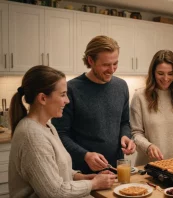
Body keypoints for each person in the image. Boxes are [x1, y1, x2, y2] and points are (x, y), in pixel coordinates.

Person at [8, 65, 116, 198]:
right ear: (42, 98)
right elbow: (54, 192)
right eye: (63, 94)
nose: (67, 100)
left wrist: (84, 178)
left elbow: (58, 171)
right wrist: (93, 184)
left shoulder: (47, 126)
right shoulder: (32, 136)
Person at [52, 35, 136, 174]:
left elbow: (124, 122)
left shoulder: (121, 86)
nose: (112, 69)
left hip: (115, 169)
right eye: (105, 65)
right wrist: (85, 155)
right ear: (90, 60)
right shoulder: (70, 89)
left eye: (115, 63)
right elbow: (60, 133)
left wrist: (126, 136)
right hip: (82, 172)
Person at [130, 49, 173, 166]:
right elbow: (136, 133)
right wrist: (148, 147)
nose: (166, 78)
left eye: (170, 74)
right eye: (160, 73)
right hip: (148, 166)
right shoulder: (140, 97)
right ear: (153, 73)